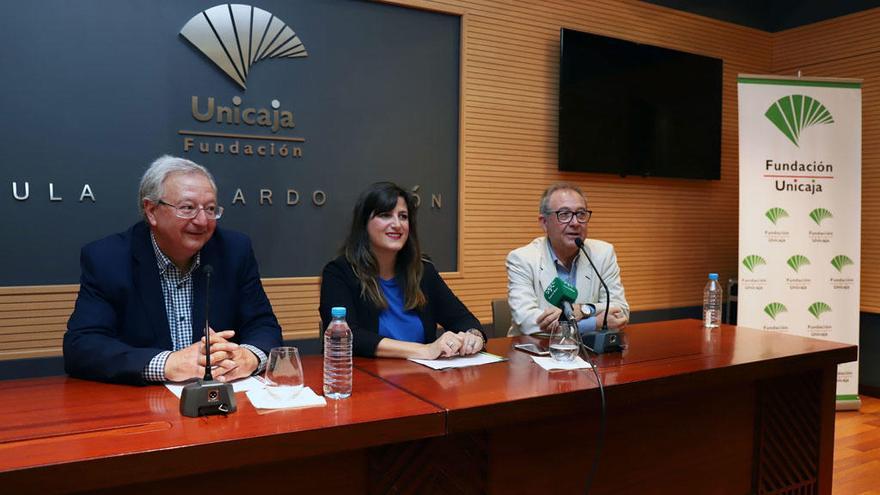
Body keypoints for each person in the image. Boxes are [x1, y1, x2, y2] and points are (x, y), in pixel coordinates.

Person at [64, 155, 282, 385]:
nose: (202, 221)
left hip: (223, 398)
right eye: (187, 208)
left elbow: (264, 326)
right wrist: (168, 364)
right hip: (146, 407)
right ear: (151, 211)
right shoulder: (108, 258)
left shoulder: (234, 250)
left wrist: (248, 356)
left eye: (210, 209)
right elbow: (83, 346)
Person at [320, 182, 485, 359]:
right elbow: (349, 337)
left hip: (422, 379)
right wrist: (425, 350)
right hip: (367, 380)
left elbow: (463, 319)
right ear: (364, 224)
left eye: (403, 216)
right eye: (385, 215)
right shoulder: (339, 272)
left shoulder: (423, 271)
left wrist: (474, 336)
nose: (397, 224)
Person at [506, 182, 629, 336]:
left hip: (589, 352)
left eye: (581, 214)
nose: (575, 222)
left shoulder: (603, 253)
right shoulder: (522, 259)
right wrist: (594, 322)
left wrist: (585, 309)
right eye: (564, 214)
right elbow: (528, 322)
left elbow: (620, 312)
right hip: (534, 352)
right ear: (544, 223)